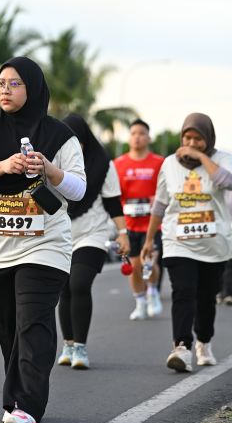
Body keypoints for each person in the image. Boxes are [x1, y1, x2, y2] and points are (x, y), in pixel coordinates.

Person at [0, 56, 86, 423]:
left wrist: (49, 170)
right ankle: (17, 398)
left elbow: (78, 189)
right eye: (1, 83)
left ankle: (27, 410)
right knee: (9, 329)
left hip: (45, 247)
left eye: (14, 84)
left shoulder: (60, 136)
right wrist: (2, 167)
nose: (5, 90)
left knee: (33, 324)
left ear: (33, 88)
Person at [141, 112, 232, 372]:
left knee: (206, 297)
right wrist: (149, 239)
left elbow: (228, 182)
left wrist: (202, 158)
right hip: (177, 241)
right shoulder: (169, 163)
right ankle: (181, 347)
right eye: (187, 138)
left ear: (209, 139)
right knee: (183, 292)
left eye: (198, 139)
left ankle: (204, 341)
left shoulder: (222, 159)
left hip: (214, 245)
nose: (191, 143)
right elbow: (160, 204)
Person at [57, 114, 130, 369]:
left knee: (79, 284)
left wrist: (123, 233)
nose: (72, 146)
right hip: (60, 235)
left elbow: (113, 202)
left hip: (93, 234)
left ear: (85, 140)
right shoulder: (52, 162)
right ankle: (67, 344)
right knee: (64, 290)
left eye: (76, 140)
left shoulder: (103, 164)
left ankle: (80, 348)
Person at [114, 119, 164, 320]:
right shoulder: (118, 164)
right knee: (134, 266)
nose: (137, 137)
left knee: (148, 262)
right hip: (129, 224)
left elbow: (166, 190)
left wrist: (156, 199)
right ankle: (140, 302)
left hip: (153, 224)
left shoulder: (159, 162)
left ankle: (152, 292)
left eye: (142, 133)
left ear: (149, 138)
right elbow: (114, 194)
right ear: (129, 138)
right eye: (133, 133)